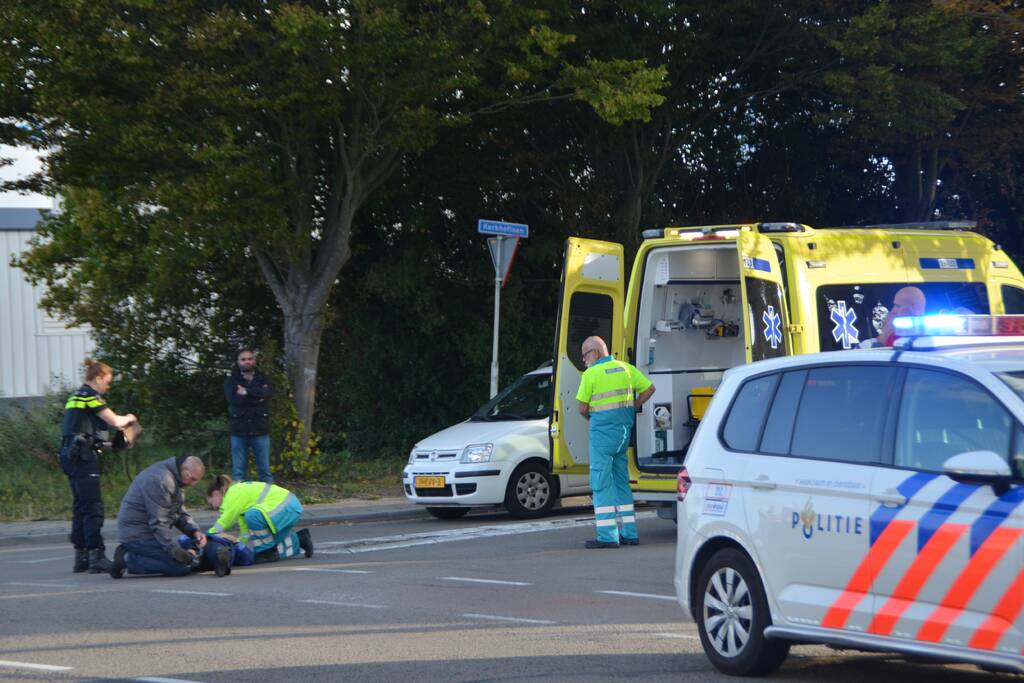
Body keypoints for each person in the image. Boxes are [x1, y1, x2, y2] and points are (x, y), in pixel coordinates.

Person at [59, 359, 140, 574]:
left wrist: (113, 445)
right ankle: (96, 556)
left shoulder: (75, 397)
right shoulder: (90, 396)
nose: (108, 386)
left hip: (71, 456)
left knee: (81, 506)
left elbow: (83, 433)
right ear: (98, 378)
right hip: (83, 458)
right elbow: (115, 421)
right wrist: (130, 418)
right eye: (107, 381)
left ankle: (82, 557)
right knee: (93, 508)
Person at [576, 336, 655, 548]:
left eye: (584, 355)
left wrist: (595, 419)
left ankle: (608, 536)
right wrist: (632, 407)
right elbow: (649, 389)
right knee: (621, 482)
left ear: (595, 352)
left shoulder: (591, 374)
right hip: (622, 434)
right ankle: (630, 533)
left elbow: (582, 408)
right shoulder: (626, 368)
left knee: (601, 483)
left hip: (601, 436)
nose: (584, 360)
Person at [109, 454, 231, 578]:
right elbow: (159, 521)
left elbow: (179, 513)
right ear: (184, 470)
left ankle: (210, 558)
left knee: (189, 555)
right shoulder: (160, 480)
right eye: (193, 479)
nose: (193, 484)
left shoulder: (175, 479)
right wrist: (173, 549)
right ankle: (126, 558)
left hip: (153, 532)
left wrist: (194, 531)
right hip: (138, 535)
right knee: (180, 567)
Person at [206, 474, 313, 563]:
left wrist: (209, 535)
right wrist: (239, 545)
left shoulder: (232, 494)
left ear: (216, 494)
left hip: (285, 507)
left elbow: (226, 521)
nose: (214, 507)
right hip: (288, 507)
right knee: (270, 549)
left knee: (253, 517)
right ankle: (300, 539)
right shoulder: (238, 497)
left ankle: (266, 550)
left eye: (211, 503)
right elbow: (245, 531)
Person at [224, 349, 274, 483]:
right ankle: (239, 496)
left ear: (254, 361)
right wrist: (257, 397)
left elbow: (267, 394)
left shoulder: (263, 378)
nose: (247, 362)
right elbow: (234, 400)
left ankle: (268, 496)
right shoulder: (231, 381)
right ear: (238, 362)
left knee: (265, 471)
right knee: (238, 472)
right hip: (239, 431)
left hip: (260, 430)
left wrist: (246, 392)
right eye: (243, 359)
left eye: (250, 359)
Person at [862, 285, 926, 348]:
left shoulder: (927, 339)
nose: (893, 310)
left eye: (898, 306)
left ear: (915, 307)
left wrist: (885, 334)